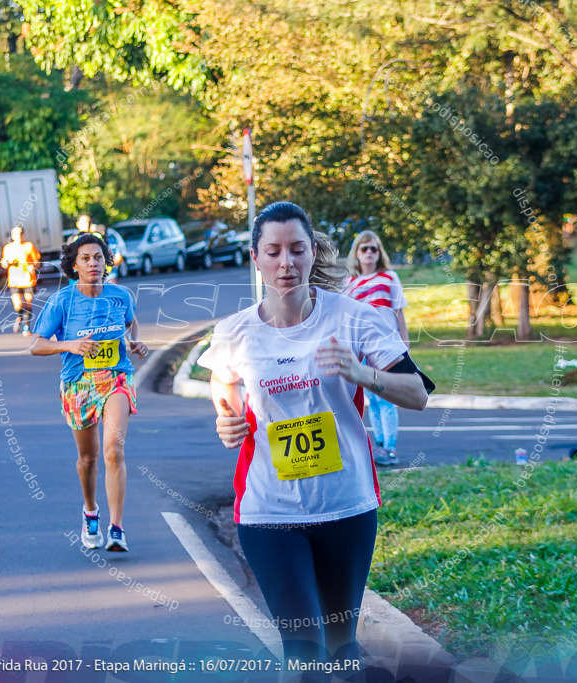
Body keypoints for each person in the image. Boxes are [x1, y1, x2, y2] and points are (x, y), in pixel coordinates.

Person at [197, 201, 434, 666]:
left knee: (341, 649)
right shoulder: (235, 332)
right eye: (274, 251)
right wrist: (225, 415)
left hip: (346, 505)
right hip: (269, 511)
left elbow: (419, 394)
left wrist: (364, 375)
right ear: (255, 258)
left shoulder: (354, 318)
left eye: (296, 250)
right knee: (304, 652)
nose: (286, 263)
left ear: (312, 253)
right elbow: (221, 377)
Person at [30, 232, 148, 552]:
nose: (93, 263)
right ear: (74, 266)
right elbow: (37, 345)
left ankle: (117, 528)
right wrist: (71, 345)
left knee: (114, 449)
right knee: (88, 457)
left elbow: (131, 322)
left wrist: (134, 341)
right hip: (78, 384)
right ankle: (90, 510)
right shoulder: (61, 301)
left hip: (116, 379)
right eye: (85, 258)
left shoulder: (120, 295)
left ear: (105, 261)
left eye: (98, 257)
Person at [344, 230, 410, 466]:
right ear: (357, 253)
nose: (370, 253)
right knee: (372, 399)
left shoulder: (389, 277)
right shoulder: (349, 283)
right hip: (362, 350)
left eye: (374, 248)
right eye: (365, 249)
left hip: (388, 348)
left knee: (387, 398)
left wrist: (405, 344)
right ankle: (380, 445)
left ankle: (389, 449)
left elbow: (399, 312)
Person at [0, 226, 41, 336]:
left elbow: (37, 262)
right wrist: (6, 263)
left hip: (28, 279)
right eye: (16, 234)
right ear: (12, 236)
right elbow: (4, 262)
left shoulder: (29, 246)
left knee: (28, 302)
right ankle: (19, 316)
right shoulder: (8, 248)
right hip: (14, 280)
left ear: (23, 235)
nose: (18, 236)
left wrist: (33, 266)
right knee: (18, 304)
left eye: (20, 233)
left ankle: (26, 326)